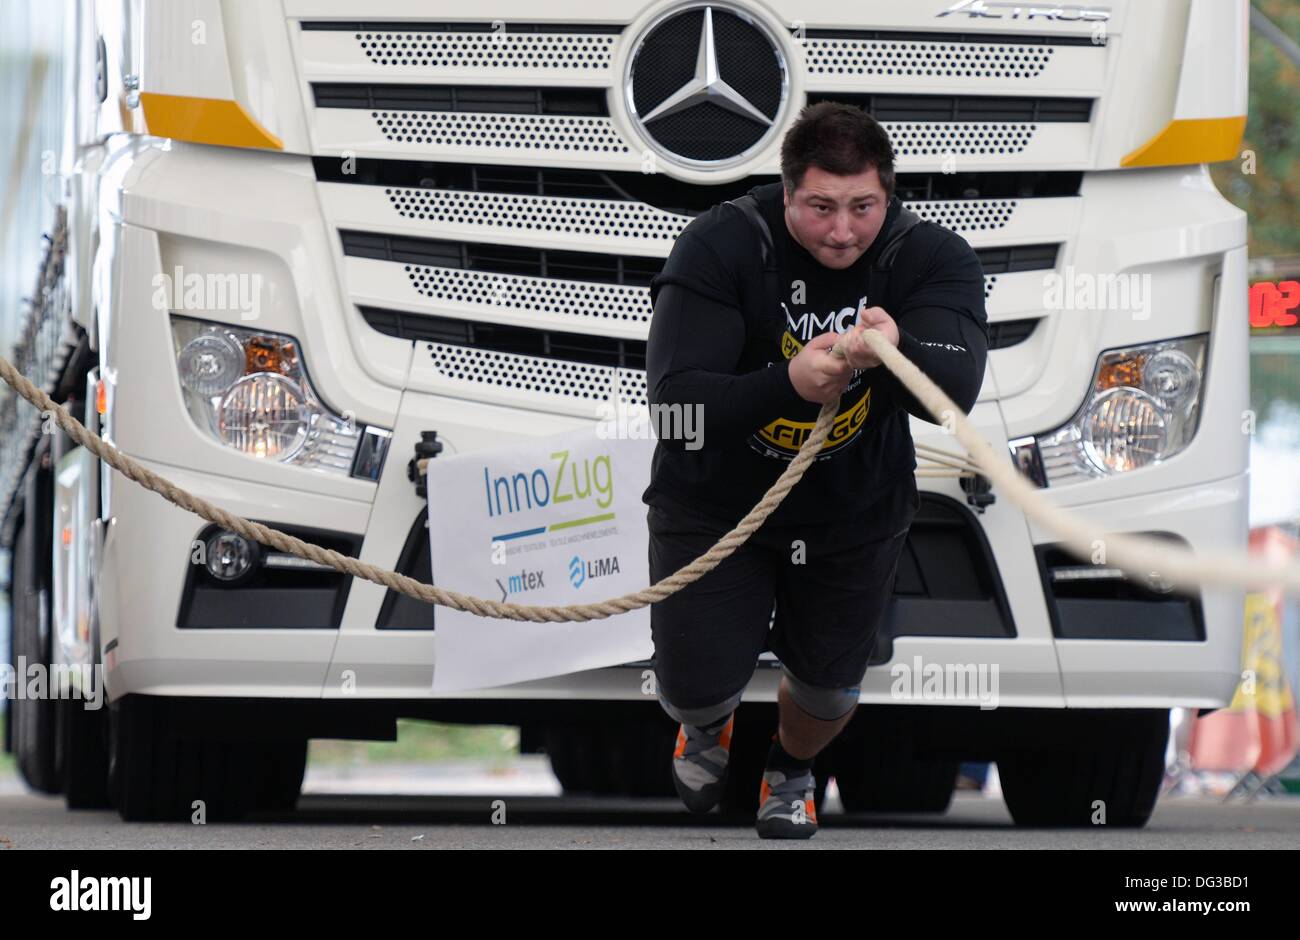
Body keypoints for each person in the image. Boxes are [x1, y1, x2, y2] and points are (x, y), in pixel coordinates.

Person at [642, 101, 990, 839]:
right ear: (787, 191)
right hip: (716, 506)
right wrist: (787, 383)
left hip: (852, 511)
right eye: (820, 207)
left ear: (887, 195)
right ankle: (705, 727)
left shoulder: (932, 257)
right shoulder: (720, 245)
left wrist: (900, 351)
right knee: (696, 683)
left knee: (830, 689)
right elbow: (674, 412)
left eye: (862, 207)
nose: (842, 230)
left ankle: (790, 771)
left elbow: (954, 396)